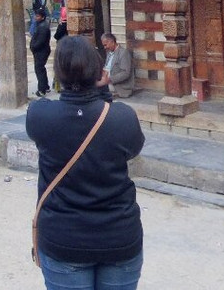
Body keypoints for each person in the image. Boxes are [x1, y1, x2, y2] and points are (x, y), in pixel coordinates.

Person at [26, 35, 145, 290]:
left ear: (58, 72)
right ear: (98, 69)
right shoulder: (122, 119)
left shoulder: (40, 116)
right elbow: (132, 149)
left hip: (63, 238)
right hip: (119, 236)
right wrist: (102, 92)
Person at [102, 33, 136, 98]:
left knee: (97, 88)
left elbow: (125, 73)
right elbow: (107, 68)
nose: (105, 47)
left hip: (119, 86)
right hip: (108, 81)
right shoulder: (109, 53)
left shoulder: (123, 53)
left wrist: (109, 79)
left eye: (105, 45)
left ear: (112, 42)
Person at [30, 7, 52, 98]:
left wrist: (33, 47)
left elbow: (40, 41)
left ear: (42, 17)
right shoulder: (41, 25)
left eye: (38, 16)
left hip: (41, 51)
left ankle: (42, 90)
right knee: (41, 69)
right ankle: (46, 86)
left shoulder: (43, 27)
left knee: (39, 70)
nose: (36, 17)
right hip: (40, 51)